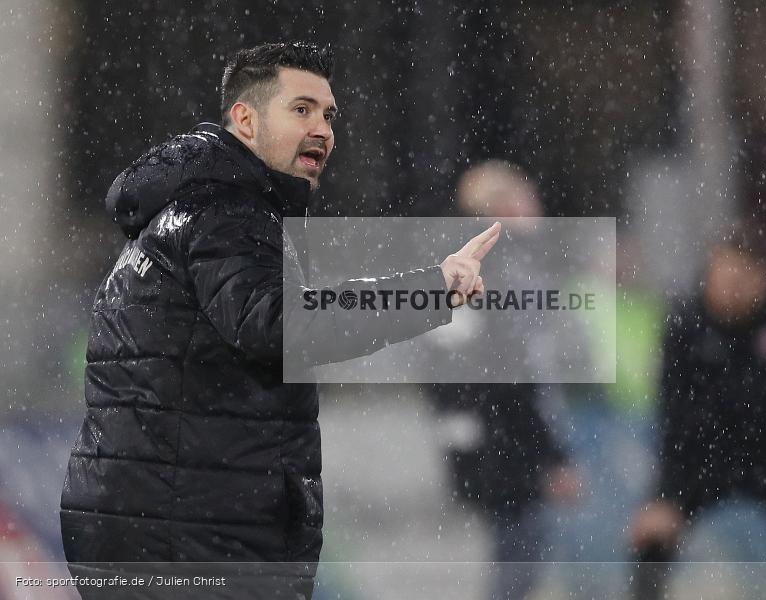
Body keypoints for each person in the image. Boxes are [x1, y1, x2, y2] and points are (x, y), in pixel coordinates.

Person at [59, 42, 501, 600]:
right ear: (244, 119)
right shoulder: (227, 211)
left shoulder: (195, 208)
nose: (322, 127)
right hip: (188, 533)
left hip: (159, 519)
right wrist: (427, 289)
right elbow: (283, 324)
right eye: (301, 109)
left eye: (328, 114)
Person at [627, 227, 766, 599]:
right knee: (651, 541)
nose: (732, 286)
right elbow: (674, 418)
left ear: (765, 279)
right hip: (701, 460)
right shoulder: (684, 325)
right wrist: (666, 495)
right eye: (724, 275)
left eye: (744, 277)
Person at [430, 160, 578, 600]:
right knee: (519, 558)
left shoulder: (464, 263)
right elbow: (512, 375)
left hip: (484, 435)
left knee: (514, 553)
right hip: (506, 440)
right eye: (525, 197)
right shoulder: (503, 270)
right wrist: (550, 454)